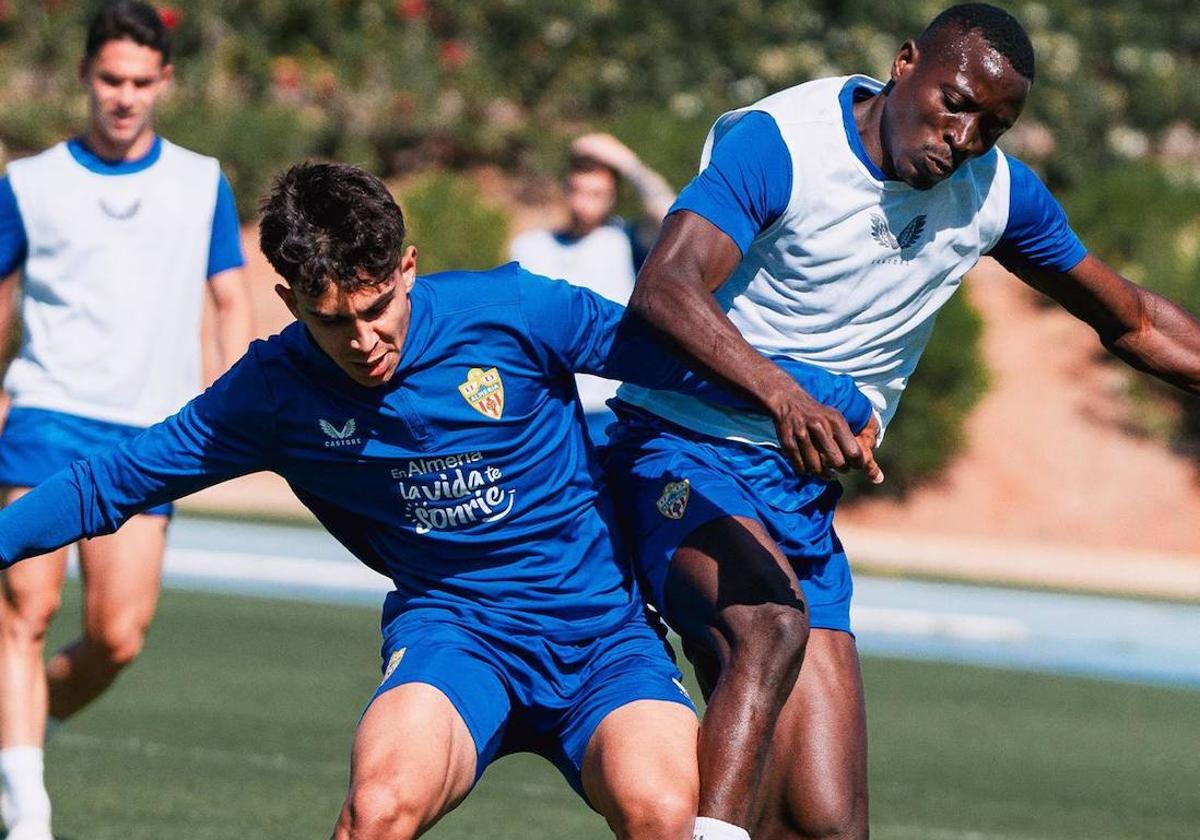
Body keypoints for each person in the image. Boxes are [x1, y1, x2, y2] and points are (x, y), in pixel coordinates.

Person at [0, 161, 876, 839]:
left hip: (602, 643)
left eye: (378, 307)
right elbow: (114, 481)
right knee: (380, 806)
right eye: (332, 321)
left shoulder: (513, 312)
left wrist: (822, 397)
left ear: (408, 266)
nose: (364, 339)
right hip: (455, 636)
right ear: (289, 301)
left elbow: (667, 358)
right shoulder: (269, 391)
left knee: (664, 814)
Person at [604, 4, 1200, 839]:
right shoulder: (784, 145)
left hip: (797, 498)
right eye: (955, 102)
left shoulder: (993, 194)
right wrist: (784, 397)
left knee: (825, 821)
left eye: (994, 124)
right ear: (905, 62)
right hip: (677, 451)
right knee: (767, 629)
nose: (965, 136)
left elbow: (1133, 320)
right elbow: (667, 287)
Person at [0, 3, 252, 837]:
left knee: (116, 637)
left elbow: (228, 299)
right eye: (111, 79)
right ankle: (26, 807)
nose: (124, 96)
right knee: (23, 612)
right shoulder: (28, 184)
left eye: (142, 82)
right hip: (45, 416)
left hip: (149, 436)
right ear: (85, 76)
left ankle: (21, 739)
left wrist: (239, 409)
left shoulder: (199, 179)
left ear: (166, 83)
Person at [510, 133, 676, 443]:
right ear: (565, 189)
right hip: (550, 408)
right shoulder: (529, 247)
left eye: (598, 193)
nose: (585, 202)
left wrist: (629, 164)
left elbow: (673, 218)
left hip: (616, 405)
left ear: (613, 196)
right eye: (578, 190)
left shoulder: (626, 239)